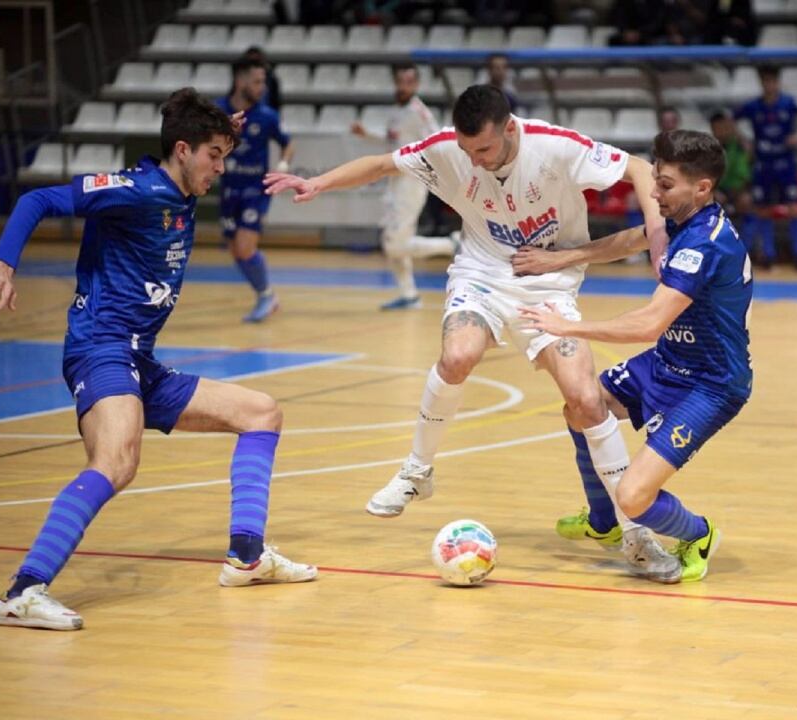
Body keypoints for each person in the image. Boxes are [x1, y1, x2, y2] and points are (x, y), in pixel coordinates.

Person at [265, 85, 679, 579]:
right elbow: (380, 164)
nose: (475, 162)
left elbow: (636, 165)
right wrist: (318, 184)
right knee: (457, 356)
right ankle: (418, 472)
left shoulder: (554, 145)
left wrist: (656, 234)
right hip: (481, 275)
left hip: (546, 282)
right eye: (466, 152)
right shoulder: (448, 148)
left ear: (510, 129)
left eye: (483, 149)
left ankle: (636, 534)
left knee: (586, 400)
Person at [0, 88, 316, 631]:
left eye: (225, 156)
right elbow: (35, 202)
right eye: (213, 156)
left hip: (141, 362)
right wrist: (3, 264)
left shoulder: (182, 182)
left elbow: (188, 126)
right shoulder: (134, 191)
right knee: (117, 461)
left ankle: (247, 558)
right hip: (100, 351)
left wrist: (217, 131)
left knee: (261, 412)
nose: (220, 167)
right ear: (182, 150)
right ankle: (21, 592)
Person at [516, 129, 752, 584]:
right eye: (655, 180)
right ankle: (602, 523)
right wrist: (560, 259)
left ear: (701, 187)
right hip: (666, 363)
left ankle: (698, 533)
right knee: (582, 406)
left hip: (710, 384)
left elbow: (648, 324)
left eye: (664, 184)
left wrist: (569, 326)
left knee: (635, 497)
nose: (653, 192)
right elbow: (632, 240)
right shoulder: (683, 217)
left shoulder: (705, 244)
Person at [351, 63, 459, 310]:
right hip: (394, 181)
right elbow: (393, 141)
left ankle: (450, 244)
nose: (404, 86)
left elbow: (438, 140)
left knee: (395, 244)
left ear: (416, 84)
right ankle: (409, 295)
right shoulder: (397, 111)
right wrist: (366, 133)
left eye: (410, 82)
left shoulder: (418, 111)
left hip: (411, 182)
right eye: (401, 81)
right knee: (392, 239)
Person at [217, 56, 294, 321]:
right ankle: (265, 293)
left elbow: (288, 142)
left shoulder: (267, 115)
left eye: (263, 81)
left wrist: (283, 163)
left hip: (255, 190)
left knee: (245, 246)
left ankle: (266, 295)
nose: (262, 87)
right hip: (229, 189)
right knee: (235, 249)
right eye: (257, 81)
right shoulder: (219, 112)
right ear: (241, 81)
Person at [735, 64, 797, 270]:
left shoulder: (789, 102)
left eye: (772, 81)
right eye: (765, 81)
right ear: (761, 83)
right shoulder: (754, 106)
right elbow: (732, 119)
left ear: (778, 82)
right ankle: (769, 255)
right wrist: (745, 140)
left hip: (785, 162)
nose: (769, 85)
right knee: (763, 209)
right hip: (763, 163)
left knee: (794, 208)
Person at [709, 108, 752, 224]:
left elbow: (747, 172)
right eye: (717, 128)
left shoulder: (741, 145)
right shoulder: (708, 148)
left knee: (746, 201)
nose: (722, 131)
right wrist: (715, 191)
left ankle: (747, 238)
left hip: (739, 190)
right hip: (718, 190)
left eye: (724, 126)